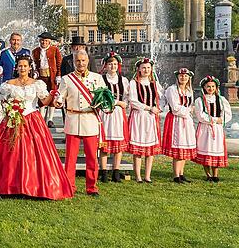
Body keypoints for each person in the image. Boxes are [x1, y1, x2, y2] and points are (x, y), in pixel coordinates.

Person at [0, 55, 73, 200]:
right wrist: (10, 109)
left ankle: (36, 185)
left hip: (32, 118)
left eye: (25, 66)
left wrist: (53, 94)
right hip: (13, 119)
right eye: (20, 66)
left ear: (30, 68)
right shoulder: (8, 84)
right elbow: (2, 101)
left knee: (35, 153)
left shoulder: (37, 84)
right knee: (9, 152)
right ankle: (8, 185)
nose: (22, 68)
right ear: (17, 67)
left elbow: (44, 101)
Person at [55, 50, 103, 196]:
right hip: (73, 120)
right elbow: (60, 96)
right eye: (78, 61)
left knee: (92, 158)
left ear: (87, 61)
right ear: (74, 62)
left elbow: (104, 96)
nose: (81, 63)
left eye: (83, 60)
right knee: (70, 158)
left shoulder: (97, 78)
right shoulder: (67, 79)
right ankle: (70, 186)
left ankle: (92, 187)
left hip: (90, 120)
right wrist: (58, 101)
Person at [127, 58, 163, 183]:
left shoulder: (154, 83)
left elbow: (161, 98)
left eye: (148, 68)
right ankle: (138, 175)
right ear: (139, 69)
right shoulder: (133, 83)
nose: (146, 70)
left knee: (149, 148)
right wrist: (149, 108)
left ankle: (147, 175)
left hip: (151, 118)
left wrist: (159, 108)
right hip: (139, 116)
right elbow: (133, 101)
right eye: (143, 68)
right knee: (138, 148)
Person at [98, 52, 130, 183]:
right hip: (105, 113)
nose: (113, 66)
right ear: (105, 66)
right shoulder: (101, 79)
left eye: (115, 64)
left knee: (118, 144)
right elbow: (99, 97)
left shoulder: (124, 80)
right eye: (110, 64)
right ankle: (104, 172)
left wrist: (124, 104)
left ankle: (116, 172)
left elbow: (128, 98)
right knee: (104, 144)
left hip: (118, 114)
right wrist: (117, 102)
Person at [193, 75, 232, 182]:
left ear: (216, 88)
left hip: (217, 130)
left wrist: (221, 120)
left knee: (216, 150)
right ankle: (208, 174)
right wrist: (215, 120)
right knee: (206, 150)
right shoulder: (200, 101)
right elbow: (200, 116)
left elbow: (227, 114)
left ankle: (215, 175)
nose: (211, 89)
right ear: (204, 87)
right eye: (208, 86)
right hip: (205, 129)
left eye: (213, 86)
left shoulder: (221, 99)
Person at [162, 68, 197, 183]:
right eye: (181, 76)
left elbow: (190, 106)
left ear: (189, 78)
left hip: (186, 121)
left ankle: (181, 174)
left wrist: (189, 110)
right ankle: (176, 175)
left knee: (185, 147)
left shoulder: (189, 90)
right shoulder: (172, 90)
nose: (183, 78)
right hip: (176, 120)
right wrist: (189, 110)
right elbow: (175, 108)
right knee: (179, 148)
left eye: (186, 76)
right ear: (177, 77)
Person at [32, 32, 62, 127]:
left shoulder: (54, 50)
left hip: (52, 76)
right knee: (42, 96)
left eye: (45, 41)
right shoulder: (35, 51)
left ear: (49, 41)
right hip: (41, 76)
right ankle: (41, 117)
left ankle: (50, 119)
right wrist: (35, 72)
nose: (44, 42)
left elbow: (59, 64)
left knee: (52, 95)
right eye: (42, 40)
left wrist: (58, 75)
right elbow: (34, 64)